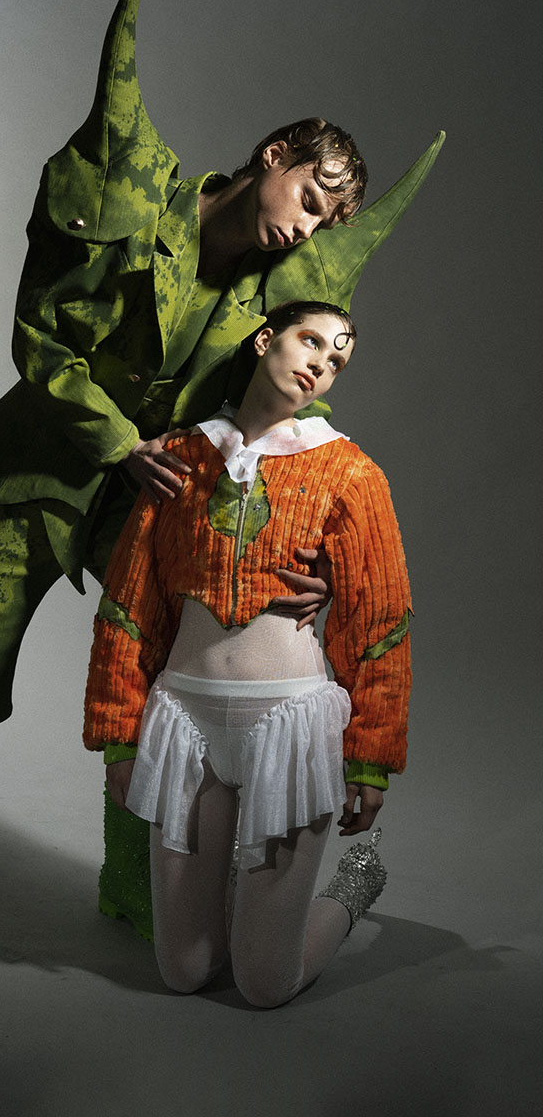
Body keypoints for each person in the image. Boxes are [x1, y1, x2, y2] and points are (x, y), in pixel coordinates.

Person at [0, 0, 441, 952]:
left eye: (327, 222)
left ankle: (127, 875)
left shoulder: (273, 303)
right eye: (308, 197)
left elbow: (279, 423)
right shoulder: (131, 204)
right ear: (274, 154)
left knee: (151, 683)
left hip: (149, 504)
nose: (307, 228)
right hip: (40, 473)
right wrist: (116, 441)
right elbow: (38, 337)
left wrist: (311, 561)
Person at [83, 300, 411, 1006]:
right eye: (310, 341)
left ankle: (353, 888)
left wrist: (370, 758)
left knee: (265, 984)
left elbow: (378, 620)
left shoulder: (350, 473)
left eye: (337, 359)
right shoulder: (178, 457)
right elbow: (130, 604)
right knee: (184, 971)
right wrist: (118, 737)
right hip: (184, 724)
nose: (321, 362)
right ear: (265, 340)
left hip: (289, 725)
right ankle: (246, 907)